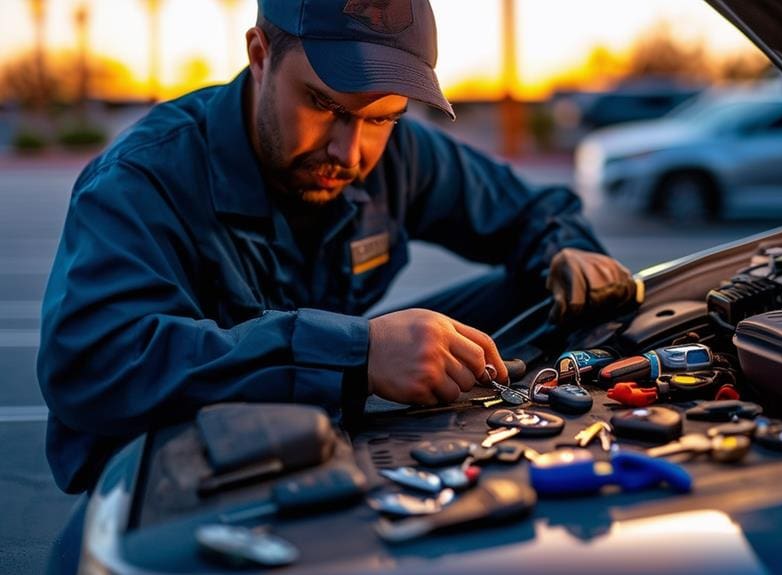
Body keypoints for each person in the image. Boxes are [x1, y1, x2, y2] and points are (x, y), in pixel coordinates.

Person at [38, 0, 637, 501]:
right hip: (177, 484)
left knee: (549, 290)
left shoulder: (396, 159)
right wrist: (355, 355)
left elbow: (538, 212)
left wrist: (568, 253)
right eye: (325, 105)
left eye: (383, 119)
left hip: (329, 444)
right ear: (259, 56)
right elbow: (94, 365)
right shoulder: (144, 178)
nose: (351, 153)